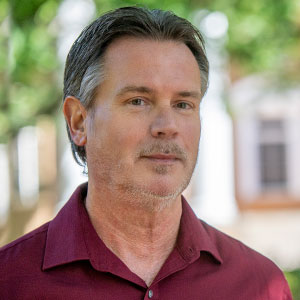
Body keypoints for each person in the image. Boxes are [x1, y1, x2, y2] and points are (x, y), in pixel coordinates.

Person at [0, 6, 292, 299]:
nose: (167, 127)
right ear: (79, 121)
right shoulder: (9, 281)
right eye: (138, 101)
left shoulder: (259, 285)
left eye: (182, 104)